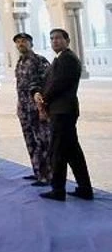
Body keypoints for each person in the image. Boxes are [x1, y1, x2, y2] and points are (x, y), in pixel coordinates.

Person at [38, 29, 93, 201]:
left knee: (58, 152)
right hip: (62, 110)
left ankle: (58, 190)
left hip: (62, 111)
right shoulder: (60, 59)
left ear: (67, 40)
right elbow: (48, 81)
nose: (55, 41)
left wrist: (43, 100)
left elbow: (58, 84)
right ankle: (85, 188)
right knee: (72, 151)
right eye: (52, 38)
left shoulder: (67, 59)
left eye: (58, 38)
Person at [13, 33, 51, 187]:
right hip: (24, 108)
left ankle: (48, 175)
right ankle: (37, 171)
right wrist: (19, 105)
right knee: (30, 141)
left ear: (31, 43)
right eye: (18, 42)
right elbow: (20, 87)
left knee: (43, 141)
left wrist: (42, 107)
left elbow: (47, 83)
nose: (21, 44)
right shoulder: (20, 62)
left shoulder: (39, 60)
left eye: (24, 41)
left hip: (36, 108)